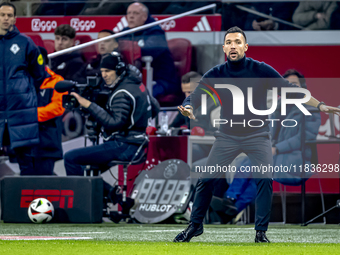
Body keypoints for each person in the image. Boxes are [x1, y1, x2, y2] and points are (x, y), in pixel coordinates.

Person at [174, 26, 340, 243]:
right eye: (229, 42)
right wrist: (188, 107)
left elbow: (292, 91)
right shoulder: (216, 74)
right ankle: (195, 226)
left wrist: (320, 105)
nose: (233, 46)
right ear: (224, 47)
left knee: (264, 179)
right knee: (206, 179)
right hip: (227, 136)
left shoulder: (261, 69)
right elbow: (195, 96)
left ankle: (260, 232)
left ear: (245, 46)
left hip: (258, 136)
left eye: (237, 42)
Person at [212, 69, 322, 223]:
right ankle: (231, 210)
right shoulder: (278, 107)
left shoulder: (310, 108)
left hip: (297, 162)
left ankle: (229, 199)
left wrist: (276, 149)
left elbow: (304, 138)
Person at [64, 52, 159, 201]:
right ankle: (110, 196)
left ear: (119, 70)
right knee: (88, 168)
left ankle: (89, 200)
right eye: (102, 71)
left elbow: (114, 123)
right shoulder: (137, 85)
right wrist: (137, 121)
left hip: (124, 145)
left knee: (71, 158)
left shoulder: (122, 91)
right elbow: (155, 107)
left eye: (108, 71)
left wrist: (88, 104)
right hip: (136, 144)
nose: (104, 75)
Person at [0, 2, 45, 167]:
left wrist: (24, 92)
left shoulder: (26, 43)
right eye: (2, 15)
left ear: (15, 18)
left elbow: (39, 74)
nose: (6, 19)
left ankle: (26, 194)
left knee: (25, 161)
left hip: (21, 112)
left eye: (9, 15)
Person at [119, 2, 182, 105]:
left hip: (162, 80)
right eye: (129, 13)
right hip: (137, 80)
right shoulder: (126, 32)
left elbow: (146, 53)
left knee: (141, 96)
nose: (130, 16)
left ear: (144, 17)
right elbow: (115, 46)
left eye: (135, 13)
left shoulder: (156, 32)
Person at [19, 46, 67, 175]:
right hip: (23, 141)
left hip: (46, 142)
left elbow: (57, 108)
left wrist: (30, 114)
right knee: (25, 183)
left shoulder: (57, 81)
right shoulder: (20, 81)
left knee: (43, 180)